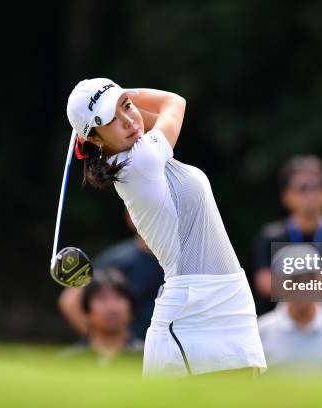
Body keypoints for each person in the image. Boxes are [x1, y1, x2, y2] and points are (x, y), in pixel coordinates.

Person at [66, 78, 266, 378]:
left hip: (226, 302)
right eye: (112, 120)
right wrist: (128, 93)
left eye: (128, 108)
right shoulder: (138, 161)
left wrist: (118, 102)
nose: (129, 120)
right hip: (193, 313)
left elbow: (143, 119)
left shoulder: (137, 151)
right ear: (95, 139)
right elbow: (174, 102)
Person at [252, 155, 322, 315]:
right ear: (286, 196)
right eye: (303, 188)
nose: (311, 194)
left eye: (318, 186)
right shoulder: (270, 236)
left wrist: (291, 282)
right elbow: (264, 284)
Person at [58, 211, 163, 340]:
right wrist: (99, 341)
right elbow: (70, 300)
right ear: (130, 218)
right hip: (132, 352)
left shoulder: (186, 257)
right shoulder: (119, 260)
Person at [59, 268, 143, 365]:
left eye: (119, 297)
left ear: (131, 308)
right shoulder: (69, 362)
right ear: (86, 311)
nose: (112, 307)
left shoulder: (149, 358)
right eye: (102, 298)